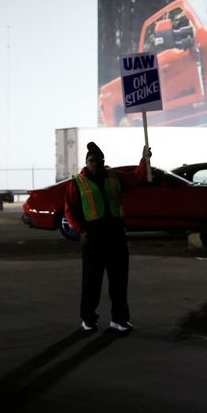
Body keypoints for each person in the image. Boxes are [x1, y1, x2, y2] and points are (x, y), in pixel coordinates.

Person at [63, 141, 151, 333]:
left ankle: (119, 319)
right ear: (86, 162)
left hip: (115, 235)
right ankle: (88, 319)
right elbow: (69, 210)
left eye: (99, 160)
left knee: (119, 281)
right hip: (93, 238)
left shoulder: (115, 177)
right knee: (91, 282)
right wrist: (81, 230)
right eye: (92, 160)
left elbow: (137, 178)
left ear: (103, 161)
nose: (95, 163)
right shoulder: (77, 183)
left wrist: (144, 159)